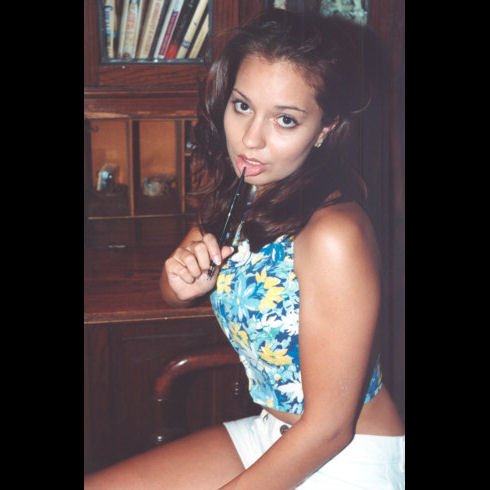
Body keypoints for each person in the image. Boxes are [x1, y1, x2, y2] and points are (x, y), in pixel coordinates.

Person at [84, 8, 405, 489]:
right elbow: (176, 288)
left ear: (326, 128)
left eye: (285, 120)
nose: (251, 140)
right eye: (242, 106)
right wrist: (177, 281)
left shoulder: (334, 234)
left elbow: (331, 428)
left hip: (346, 455)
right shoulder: (245, 192)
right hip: (272, 433)